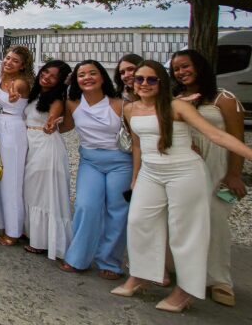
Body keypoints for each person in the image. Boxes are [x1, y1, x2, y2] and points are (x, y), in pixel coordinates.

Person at [112, 61, 252, 313]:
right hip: (150, 173)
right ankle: (141, 275)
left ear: (161, 82)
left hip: (184, 172)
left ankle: (186, 290)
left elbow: (216, 135)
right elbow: (137, 145)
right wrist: (135, 177)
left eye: (151, 79)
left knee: (185, 231)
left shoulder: (176, 106)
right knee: (138, 222)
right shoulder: (130, 109)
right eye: (139, 79)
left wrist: (248, 154)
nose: (144, 84)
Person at [170, 49, 246, 307]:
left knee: (216, 221)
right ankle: (185, 272)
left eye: (185, 66)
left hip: (217, 165)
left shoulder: (224, 98)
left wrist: (234, 174)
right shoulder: (176, 99)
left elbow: (236, 138)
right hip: (185, 165)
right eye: (176, 69)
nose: (181, 72)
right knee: (184, 220)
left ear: (200, 66)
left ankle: (220, 280)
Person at [59, 60, 129, 279]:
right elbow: (67, 126)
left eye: (92, 73)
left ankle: (110, 262)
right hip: (90, 161)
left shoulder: (119, 103)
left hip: (120, 162)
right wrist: (51, 124)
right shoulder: (73, 103)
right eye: (81, 75)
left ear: (102, 77)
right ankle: (77, 258)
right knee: (85, 206)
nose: (87, 78)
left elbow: (136, 137)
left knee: (117, 211)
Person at [22, 60, 73, 260]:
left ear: (60, 81)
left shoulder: (57, 99)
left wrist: (52, 124)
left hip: (46, 146)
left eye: (53, 76)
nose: (47, 77)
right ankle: (31, 232)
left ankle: (43, 241)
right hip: (31, 144)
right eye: (45, 72)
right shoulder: (35, 94)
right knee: (31, 190)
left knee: (44, 194)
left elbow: (55, 121)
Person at [0, 45, 34, 246]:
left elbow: (16, 93)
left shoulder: (20, 83)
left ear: (23, 65)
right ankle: (4, 224)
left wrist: (15, 94)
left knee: (12, 182)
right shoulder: (0, 78)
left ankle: (14, 231)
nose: (9, 62)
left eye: (15, 61)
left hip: (12, 130)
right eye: (7, 58)